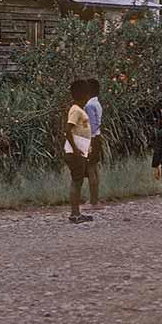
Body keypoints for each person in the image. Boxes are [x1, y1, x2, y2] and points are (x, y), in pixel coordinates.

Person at [64, 80, 94, 224]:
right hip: (75, 153)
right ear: (85, 95)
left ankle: (76, 213)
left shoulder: (79, 109)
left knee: (78, 181)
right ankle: (74, 214)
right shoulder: (76, 110)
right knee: (76, 181)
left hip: (80, 152)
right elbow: (68, 130)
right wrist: (75, 150)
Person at [84, 78, 104, 208]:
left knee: (91, 169)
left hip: (92, 138)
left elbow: (92, 125)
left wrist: (88, 142)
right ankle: (95, 199)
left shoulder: (89, 105)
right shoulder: (96, 103)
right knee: (94, 168)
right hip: (97, 137)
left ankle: (93, 201)